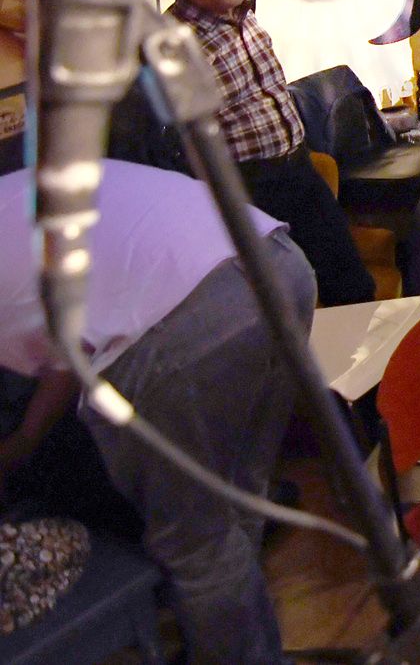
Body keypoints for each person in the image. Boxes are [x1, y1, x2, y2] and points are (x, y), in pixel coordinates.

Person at [0, 162, 314, 665]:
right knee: (240, 495)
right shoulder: (21, 191)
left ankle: (240, 652)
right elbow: (66, 349)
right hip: (279, 263)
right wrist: (27, 439)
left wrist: (23, 443)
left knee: (196, 540)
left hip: (186, 321)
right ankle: (246, 643)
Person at [164, 0, 373, 306]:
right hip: (243, 191)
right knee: (281, 305)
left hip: (297, 171)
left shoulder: (245, 19)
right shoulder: (170, 46)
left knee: (352, 287)